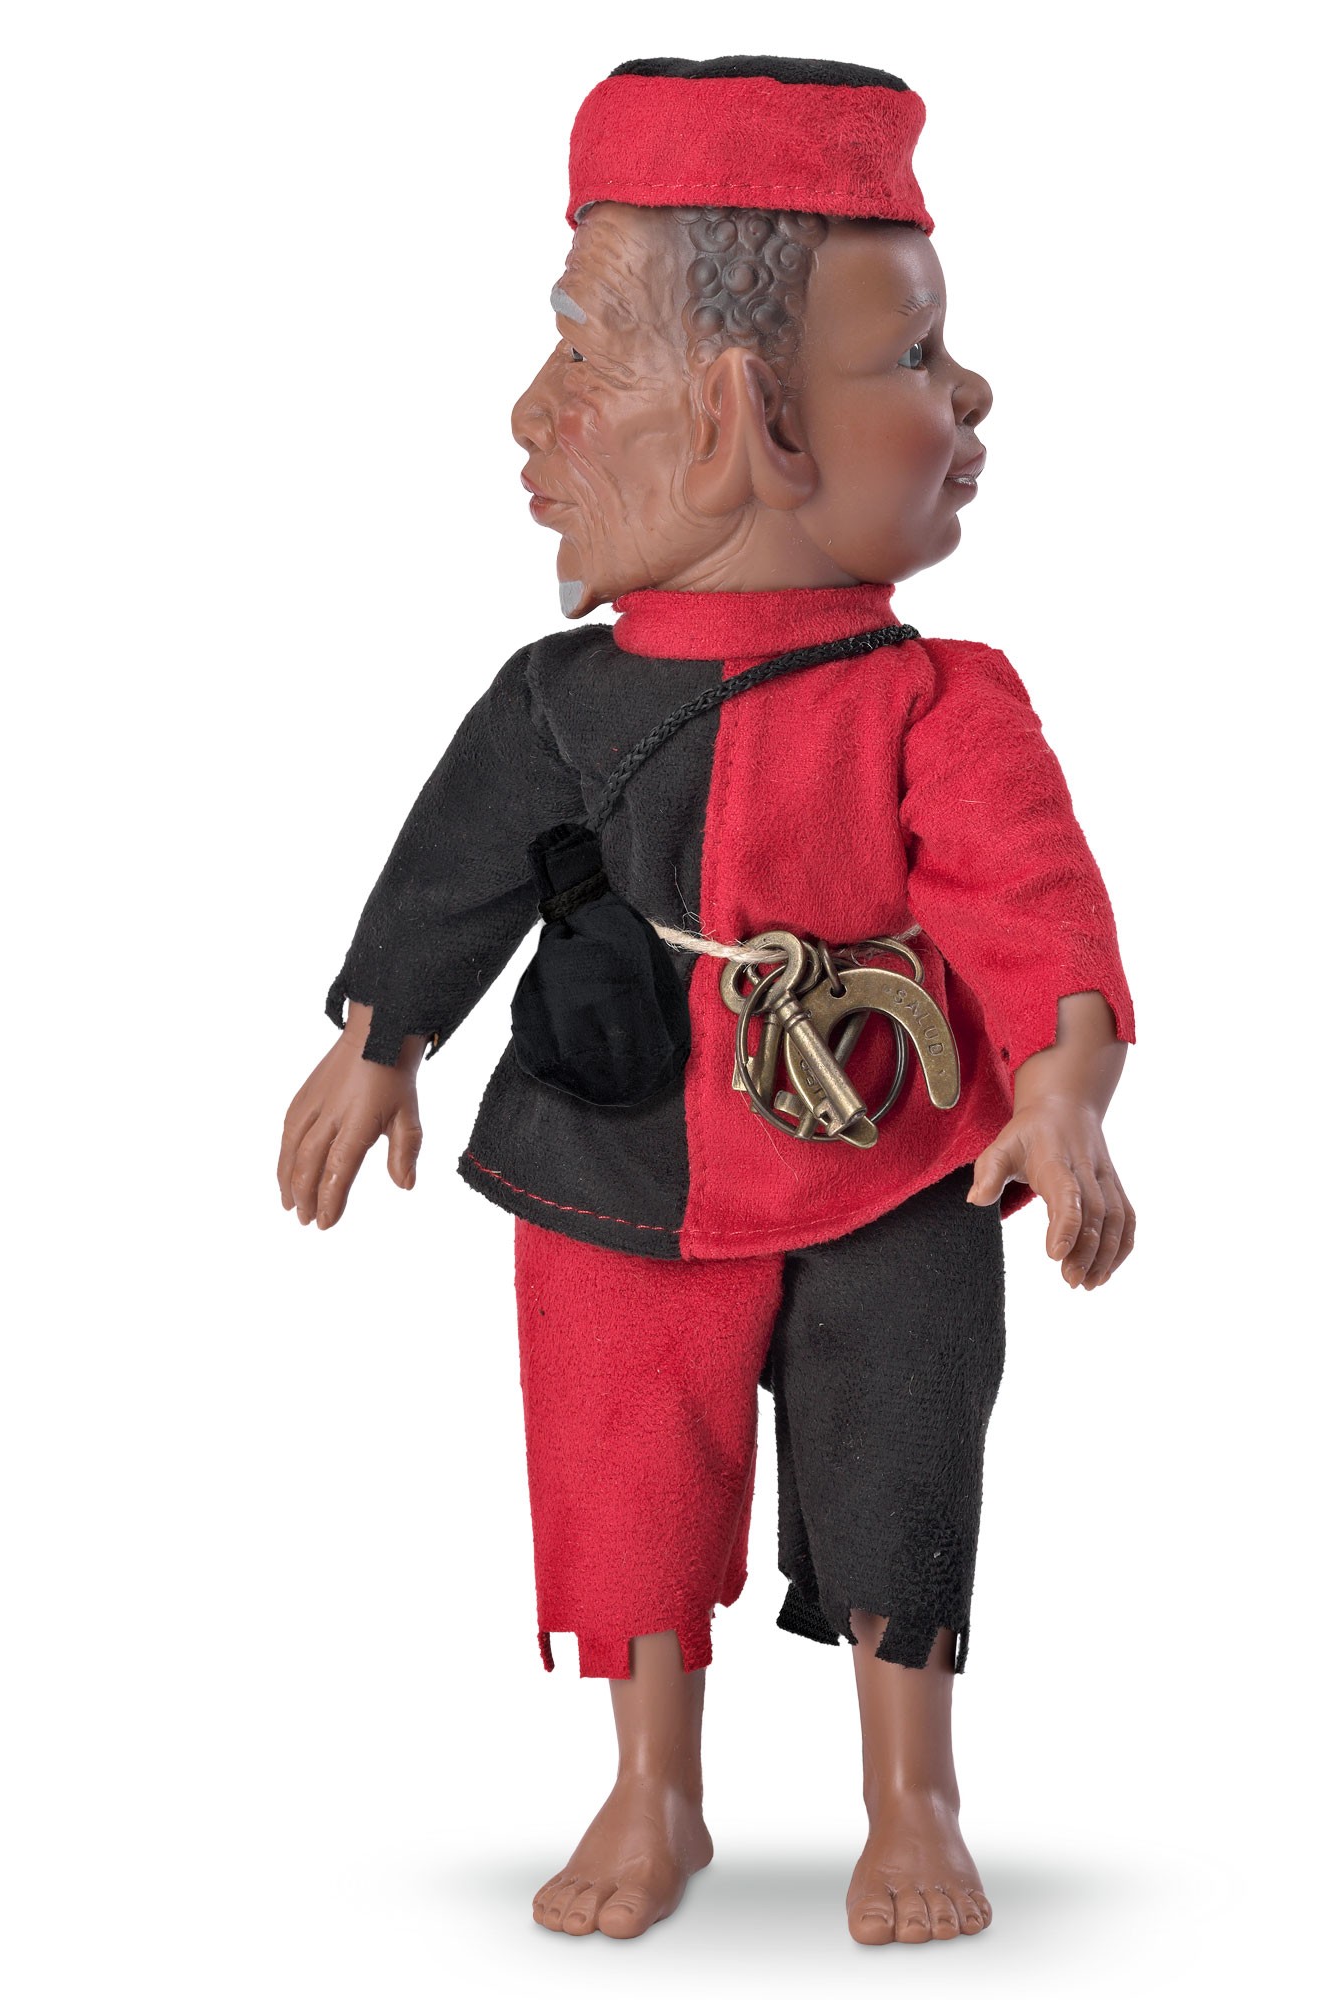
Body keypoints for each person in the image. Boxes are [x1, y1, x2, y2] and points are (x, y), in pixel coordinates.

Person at [277, 55, 1137, 1947]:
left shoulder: (940, 699)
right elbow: (457, 872)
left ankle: (912, 1793)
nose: (971, 394)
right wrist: (377, 1041)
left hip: (894, 1144)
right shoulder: (557, 702)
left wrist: (1061, 1090)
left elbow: (1027, 901)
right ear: (756, 417)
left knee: (904, 1454)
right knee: (620, 1462)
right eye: (914, 356)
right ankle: (649, 1784)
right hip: (616, 1139)